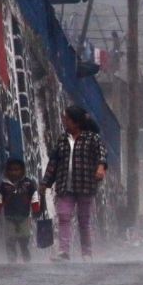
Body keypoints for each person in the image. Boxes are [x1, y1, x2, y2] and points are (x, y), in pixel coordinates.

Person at [40, 105, 107, 261]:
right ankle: (64, 251)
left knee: (84, 220)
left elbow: (102, 155)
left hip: (85, 186)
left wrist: (101, 167)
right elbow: (53, 162)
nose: (64, 121)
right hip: (65, 185)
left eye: (67, 119)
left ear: (76, 122)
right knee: (64, 216)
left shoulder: (92, 138)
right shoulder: (62, 140)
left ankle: (87, 252)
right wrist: (46, 182)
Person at [0, 158, 40, 263]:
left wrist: (36, 208)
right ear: (7, 171)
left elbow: (34, 196)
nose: (14, 172)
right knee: (10, 238)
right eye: (11, 170)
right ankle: (11, 257)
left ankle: (25, 251)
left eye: (17, 170)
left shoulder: (28, 184)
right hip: (9, 216)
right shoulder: (4, 185)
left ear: (22, 170)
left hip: (24, 216)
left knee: (24, 237)